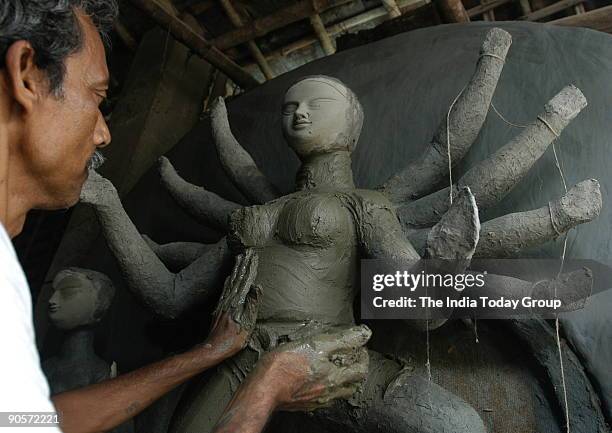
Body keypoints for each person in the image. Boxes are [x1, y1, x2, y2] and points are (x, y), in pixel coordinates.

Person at [0, 1, 371, 433]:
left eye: (318, 103)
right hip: (254, 366)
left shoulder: (365, 205)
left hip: (326, 356)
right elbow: (171, 295)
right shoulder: (254, 217)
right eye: (99, 97)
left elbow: (26, 420)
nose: (104, 132)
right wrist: (268, 382)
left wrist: (208, 353)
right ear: (26, 73)